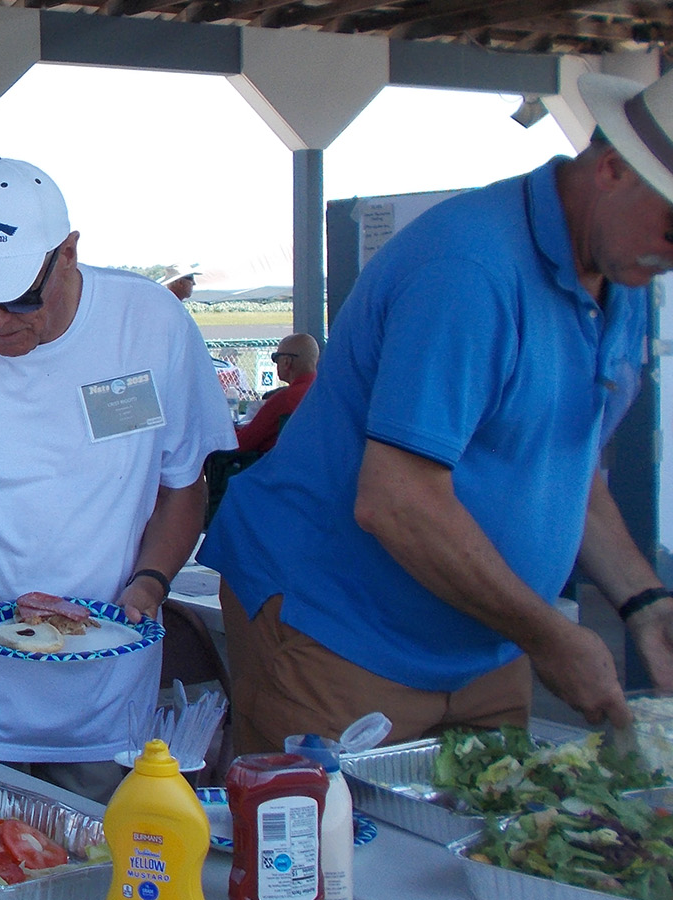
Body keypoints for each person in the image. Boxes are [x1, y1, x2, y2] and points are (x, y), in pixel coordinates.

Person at [199, 71, 673, 756]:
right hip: (338, 631)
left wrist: (645, 603)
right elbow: (395, 502)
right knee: (323, 854)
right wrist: (548, 634)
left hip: (486, 640)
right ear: (611, 170)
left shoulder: (622, 278)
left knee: (494, 847)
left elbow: (569, 475)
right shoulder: (470, 268)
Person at [0, 158, 235, 799]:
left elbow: (184, 485)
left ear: (68, 254)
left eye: (18, 296)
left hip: (105, 710)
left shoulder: (149, 326)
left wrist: (149, 582)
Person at [234, 332, 319, 453]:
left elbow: (242, 443)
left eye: (276, 357)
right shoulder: (330, 393)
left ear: (286, 362)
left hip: (278, 468)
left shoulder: (284, 400)